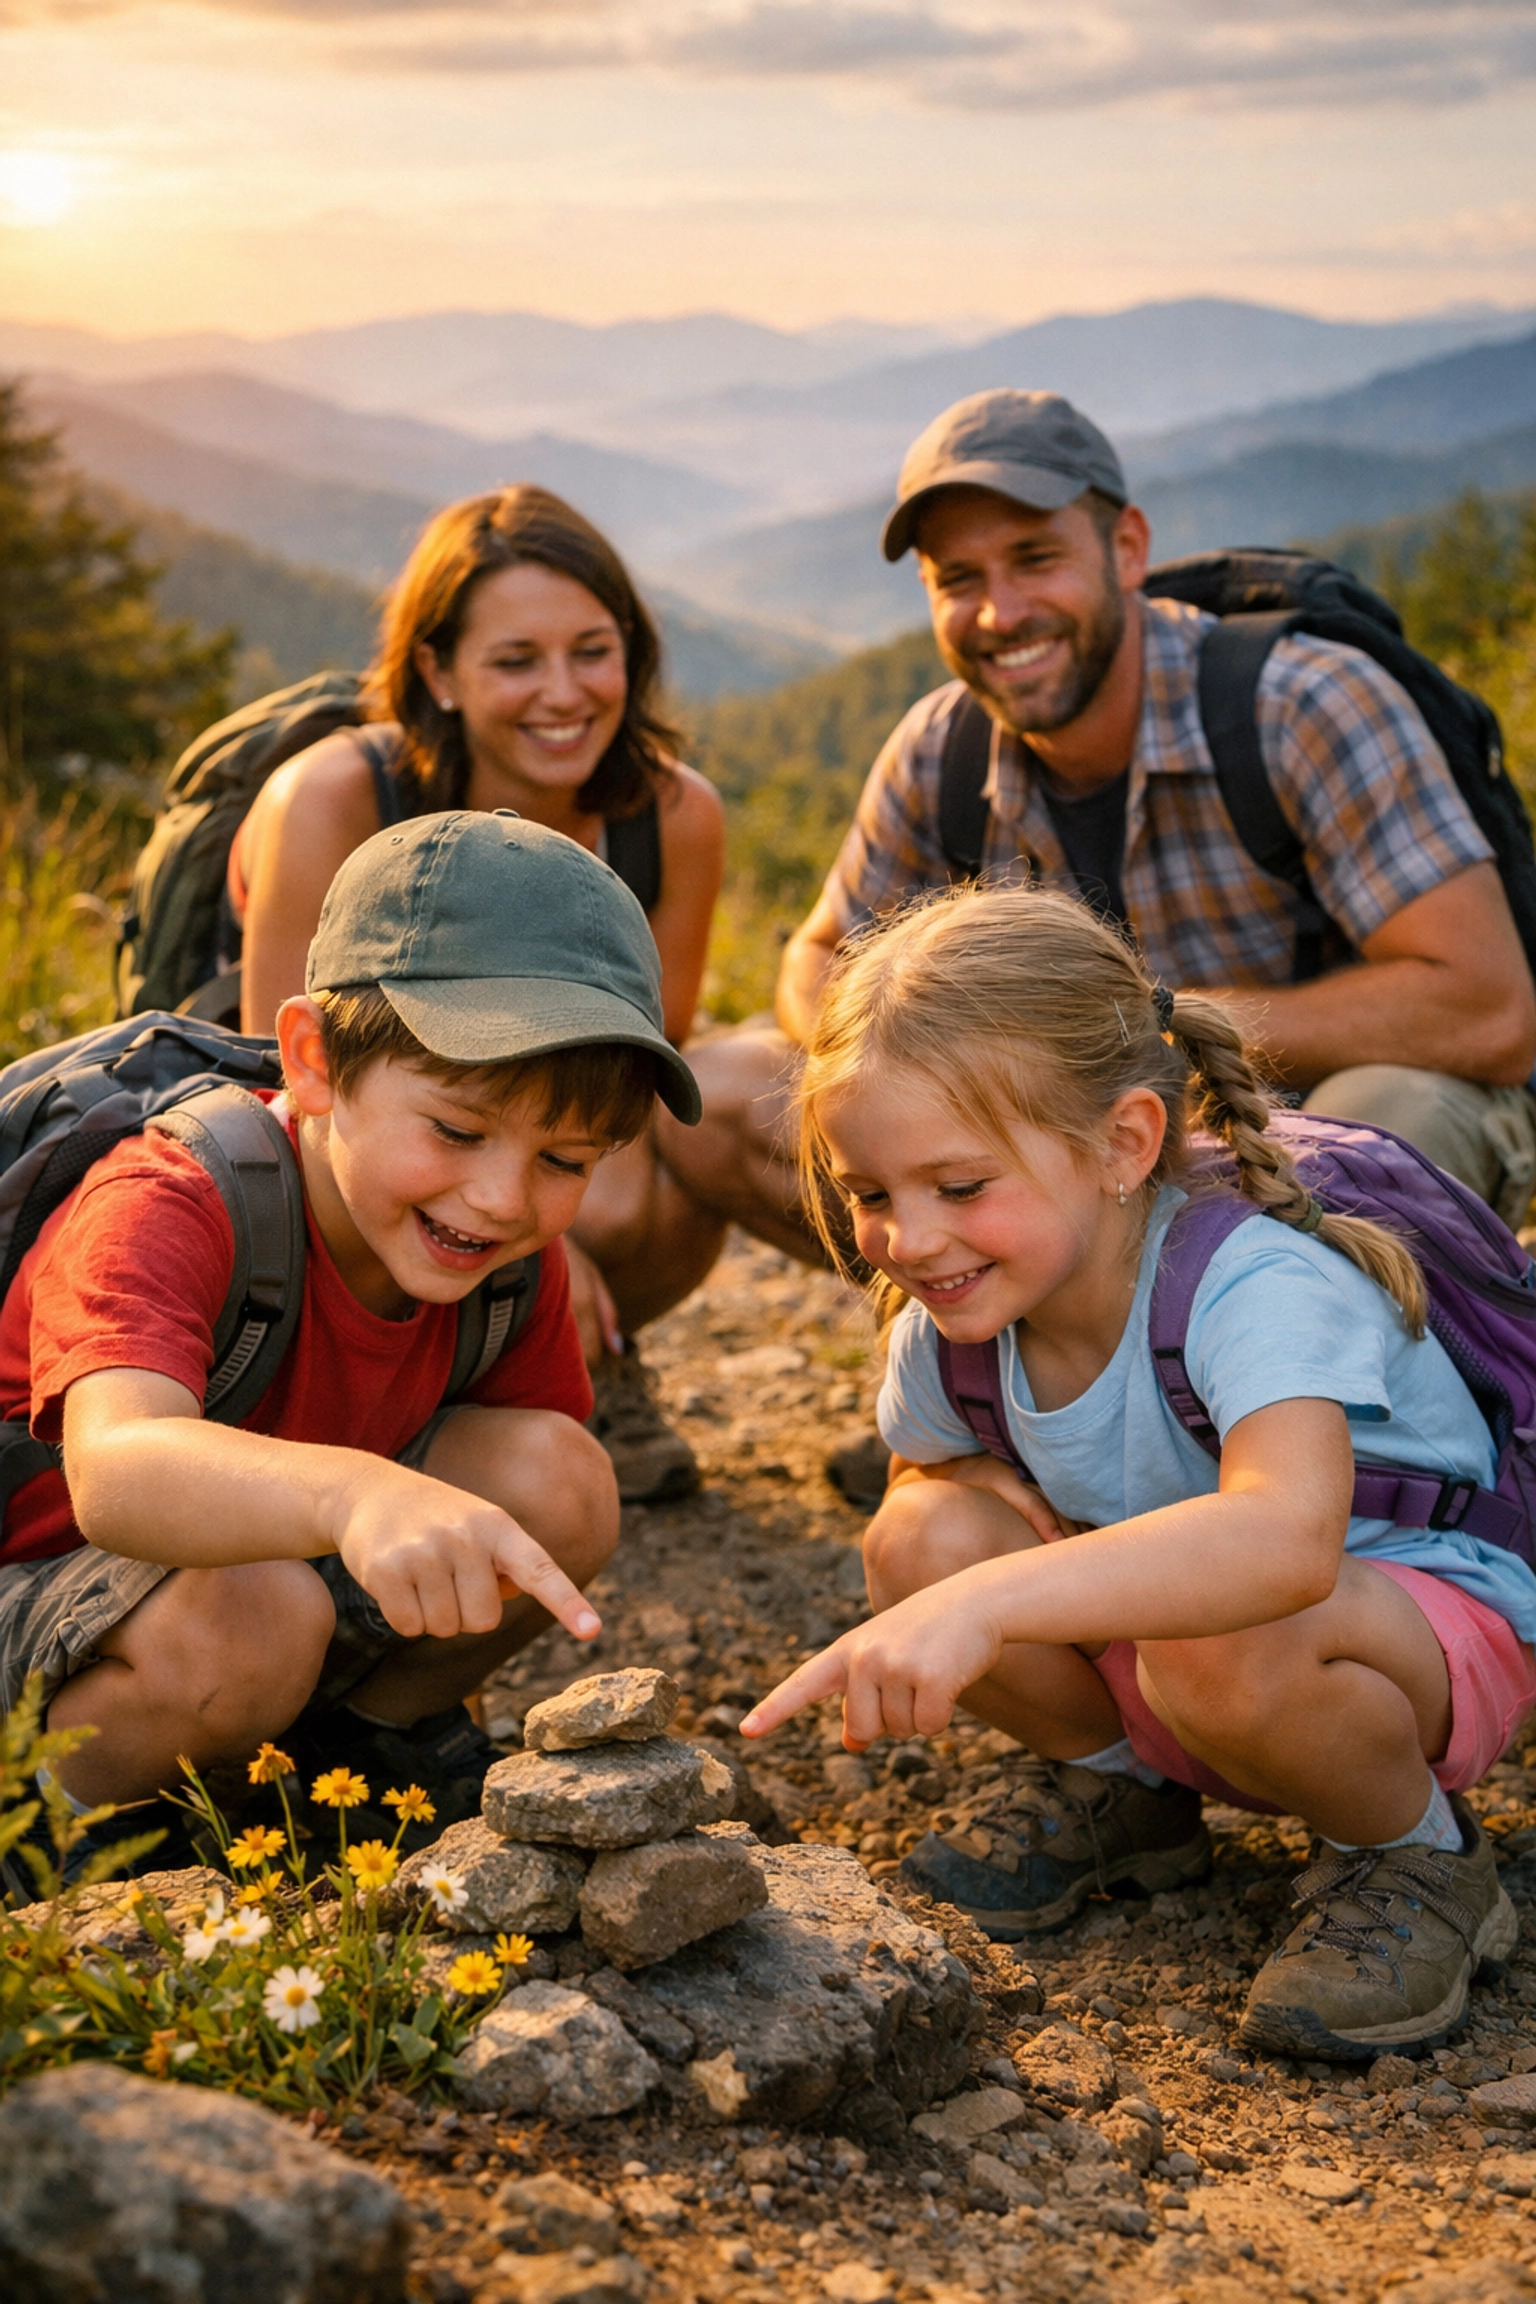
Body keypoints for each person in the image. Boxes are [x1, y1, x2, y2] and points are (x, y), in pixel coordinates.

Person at [742, 884, 1536, 2062]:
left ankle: (1414, 1851)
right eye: (870, 1195)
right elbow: (926, 1476)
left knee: (1208, 1632)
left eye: (960, 1187)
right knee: (919, 1541)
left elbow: (1283, 1545)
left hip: (1399, 1636)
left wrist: (989, 1603)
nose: (909, 1240)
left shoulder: (1252, 1283)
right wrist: (957, 1522)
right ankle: (1128, 1793)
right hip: (1191, 1661)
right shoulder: (952, 1318)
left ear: (1123, 1144)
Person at [0, 811, 701, 1858]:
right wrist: (354, 1493)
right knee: (259, 1613)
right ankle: (44, 1832)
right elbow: (115, 1469)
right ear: (313, 1060)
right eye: (457, 1130)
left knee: (561, 1482)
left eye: (565, 1160)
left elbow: (523, 1503)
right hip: (45, 1599)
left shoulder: (503, 1261)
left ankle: (358, 1750)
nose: (503, 1198)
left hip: (243, 1596)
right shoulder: (171, 1197)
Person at [777, 389, 1536, 1227]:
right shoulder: (940, 750)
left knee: (1367, 1133)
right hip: (1092, 1143)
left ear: (1128, 549)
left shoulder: (1301, 705)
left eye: (1036, 559)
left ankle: (1313, 1300)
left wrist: (1136, 1030)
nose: (1000, 612)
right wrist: (931, 1070)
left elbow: (1491, 1012)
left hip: (1324, 1115)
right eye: (958, 579)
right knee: (736, 1093)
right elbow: (817, 961)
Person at [231, 484, 810, 1502]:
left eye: (592, 651)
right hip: (322, 1172)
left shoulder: (670, 816)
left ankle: (543, 1374)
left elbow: (626, 1073)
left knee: (696, 1118)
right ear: (437, 673)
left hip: (497, 1138)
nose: (563, 693)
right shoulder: (335, 796)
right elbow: (275, 1086)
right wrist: (535, 1253)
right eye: (515, 661)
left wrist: (545, 1237)